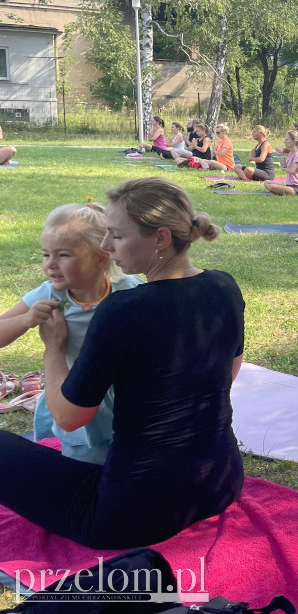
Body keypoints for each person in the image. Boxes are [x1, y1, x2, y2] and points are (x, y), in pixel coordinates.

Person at [0, 177, 245, 549]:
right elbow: (228, 372)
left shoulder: (124, 308)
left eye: (115, 235)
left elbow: (69, 417)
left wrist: (53, 348)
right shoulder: (224, 286)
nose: (104, 245)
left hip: (131, 514)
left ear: (160, 238)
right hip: (220, 483)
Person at [0, 203, 143, 463]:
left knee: (127, 464)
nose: (50, 265)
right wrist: (26, 319)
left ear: (101, 258)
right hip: (74, 398)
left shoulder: (131, 292)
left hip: (126, 399)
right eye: (46, 255)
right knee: (85, 468)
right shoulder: (49, 294)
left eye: (63, 255)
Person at [265, 130, 298, 196]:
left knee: (271, 187)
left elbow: (291, 170)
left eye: (287, 140)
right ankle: (280, 191)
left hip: (297, 188)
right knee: (267, 182)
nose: (285, 142)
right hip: (289, 185)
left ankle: (279, 192)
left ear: (294, 142)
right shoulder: (290, 153)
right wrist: (284, 165)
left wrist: (284, 167)